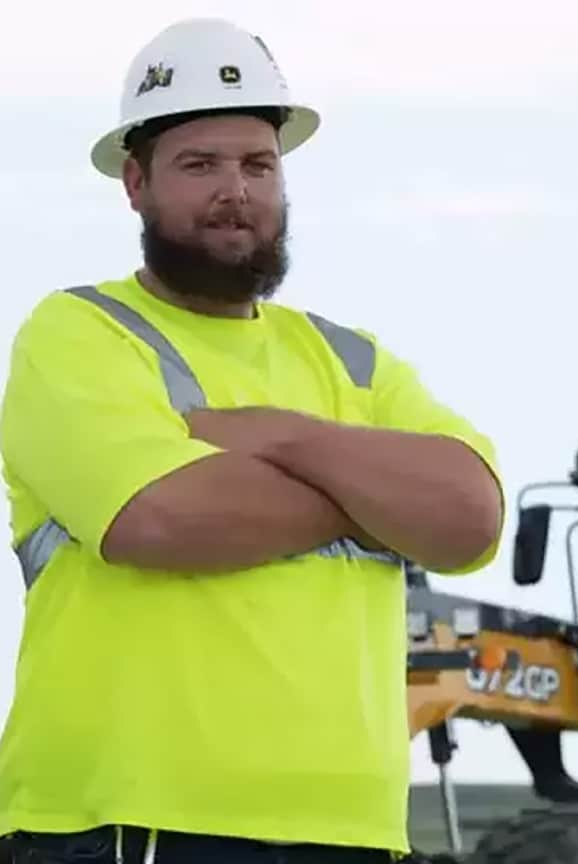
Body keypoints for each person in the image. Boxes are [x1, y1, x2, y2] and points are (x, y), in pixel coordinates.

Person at [0, 17, 504, 864]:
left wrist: (281, 437)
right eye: (200, 165)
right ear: (135, 183)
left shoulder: (352, 359)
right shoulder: (80, 334)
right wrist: (373, 495)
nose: (236, 189)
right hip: (130, 821)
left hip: (351, 832)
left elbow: (469, 521)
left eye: (258, 164)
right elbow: (159, 519)